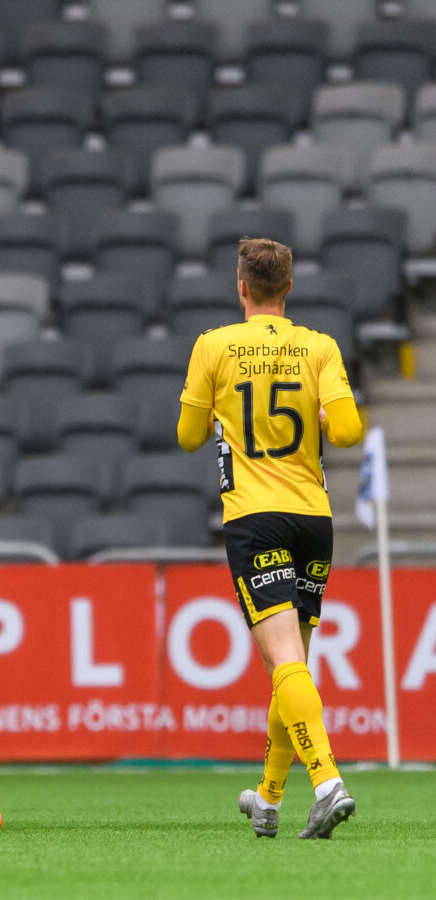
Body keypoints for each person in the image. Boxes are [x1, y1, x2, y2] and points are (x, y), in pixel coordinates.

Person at [178, 237, 363, 840]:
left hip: (255, 518)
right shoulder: (320, 346)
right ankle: (268, 797)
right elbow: (349, 432)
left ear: (241, 288)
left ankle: (328, 782)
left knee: (284, 662)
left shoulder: (213, 346)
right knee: (292, 665)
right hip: (313, 518)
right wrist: (327, 416)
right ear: (289, 288)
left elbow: (187, 436)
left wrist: (216, 411)